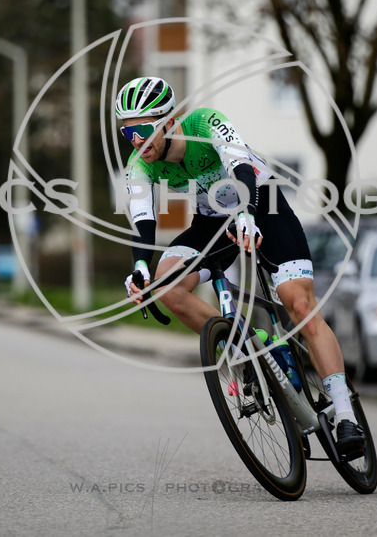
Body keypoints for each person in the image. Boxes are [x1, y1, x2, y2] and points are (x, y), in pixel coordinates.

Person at [115, 76, 363, 454]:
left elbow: (240, 165)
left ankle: (345, 414)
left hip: (264, 203)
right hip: (213, 221)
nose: (135, 140)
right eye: (127, 131)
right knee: (165, 285)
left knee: (298, 303)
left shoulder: (204, 122)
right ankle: (246, 348)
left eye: (142, 129)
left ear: (169, 121)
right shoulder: (140, 164)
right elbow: (142, 217)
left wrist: (247, 213)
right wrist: (140, 268)